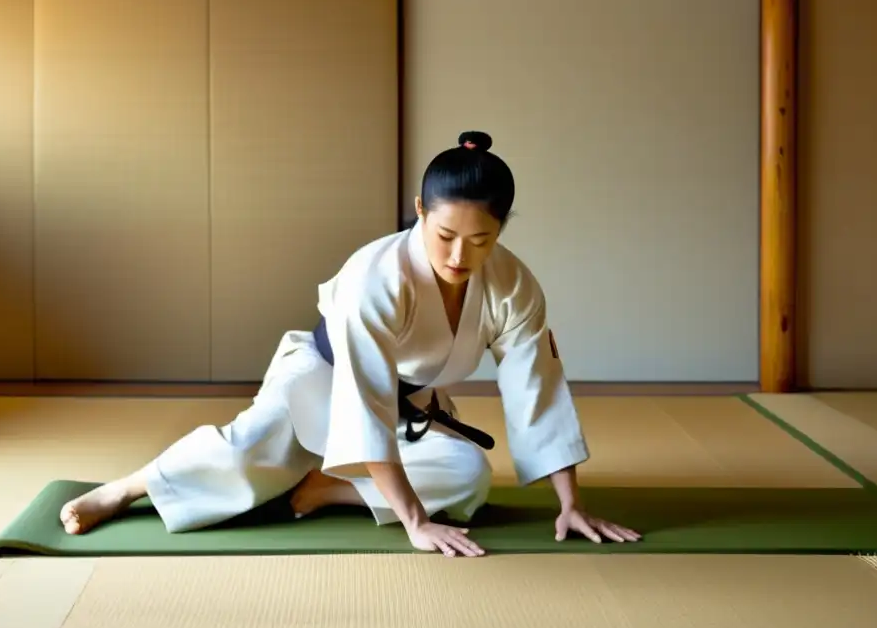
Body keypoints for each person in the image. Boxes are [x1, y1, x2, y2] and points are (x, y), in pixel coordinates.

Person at [59, 130, 641, 557]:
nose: (460, 257)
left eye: (481, 240)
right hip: (321, 377)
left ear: (502, 228)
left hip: (410, 401)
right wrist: (413, 521)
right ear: (419, 211)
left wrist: (570, 502)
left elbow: (536, 388)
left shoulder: (513, 285)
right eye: (444, 236)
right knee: (247, 451)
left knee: (468, 476)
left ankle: (322, 487)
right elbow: (365, 400)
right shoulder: (376, 275)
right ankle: (129, 487)